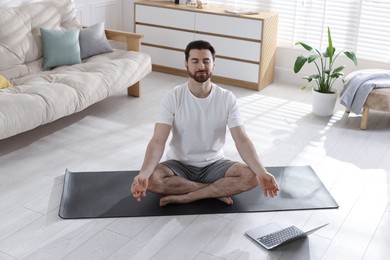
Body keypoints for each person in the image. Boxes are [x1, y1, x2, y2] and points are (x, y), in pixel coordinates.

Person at [131, 40, 279, 206]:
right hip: (179, 165)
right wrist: (144, 173)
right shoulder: (173, 97)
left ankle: (190, 196)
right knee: (151, 179)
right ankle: (213, 192)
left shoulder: (227, 98)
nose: (201, 66)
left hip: (214, 164)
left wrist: (262, 172)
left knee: (252, 177)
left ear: (213, 64)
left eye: (206, 61)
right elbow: (158, 140)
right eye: (195, 61)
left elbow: (242, 139)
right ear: (186, 64)